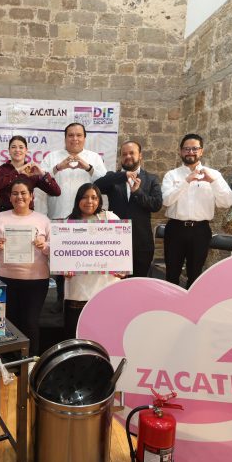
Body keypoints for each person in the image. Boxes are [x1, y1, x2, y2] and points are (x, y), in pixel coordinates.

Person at [38, 122, 108, 310]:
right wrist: (57, 167)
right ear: (65, 137)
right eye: (71, 135)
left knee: (84, 260)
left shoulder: (93, 157)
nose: (74, 139)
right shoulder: (52, 157)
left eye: (78, 135)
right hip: (59, 216)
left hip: (86, 219)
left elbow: (104, 182)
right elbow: (40, 181)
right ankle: (61, 300)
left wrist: (88, 167)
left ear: (84, 138)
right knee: (62, 262)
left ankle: (86, 302)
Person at [0, 179, 51, 356]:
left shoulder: (43, 220)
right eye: (15, 193)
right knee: (6, 322)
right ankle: (9, 362)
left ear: (31, 196)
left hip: (36, 280)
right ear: (10, 197)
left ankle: (31, 361)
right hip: (4, 279)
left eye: (23, 193)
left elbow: (56, 249)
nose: (19, 197)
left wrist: (44, 246)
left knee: (30, 322)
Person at [161, 133, 232, 288]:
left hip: (200, 231)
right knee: (171, 273)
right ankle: (170, 302)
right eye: (186, 149)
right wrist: (186, 181)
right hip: (175, 229)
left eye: (195, 148)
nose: (190, 152)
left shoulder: (214, 175)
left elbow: (228, 202)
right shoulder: (172, 175)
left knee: (195, 275)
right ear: (180, 151)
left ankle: (191, 302)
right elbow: (166, 201)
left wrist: (213, 182)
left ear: (201, 151)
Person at [60, 183, 124, 343]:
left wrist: (122, 267)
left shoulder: (110, 218)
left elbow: (122, 249)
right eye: (85, 197)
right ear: (78, 200)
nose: (89, 201)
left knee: (104, 335)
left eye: (94, 198)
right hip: (78, 288)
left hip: (106, 287)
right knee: (76, 335)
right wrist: (63, 268)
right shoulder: (68, 223)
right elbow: (62, 256)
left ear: (100, 200)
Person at [95, 140, 163, 277]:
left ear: (140, 155)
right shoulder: (113, 178)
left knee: (138, 283)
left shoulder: (151, 179)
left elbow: (156, 205)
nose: (128, 156)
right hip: (115, 242)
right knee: (115, 283)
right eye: (124, 154)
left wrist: (138, 192)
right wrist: (123, 175)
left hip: (141, 243)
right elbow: (97, 186)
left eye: (132, 153)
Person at [0, 135, 60, 213]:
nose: (17, 150)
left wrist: (42, 173)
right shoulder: (0, 169)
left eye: (21, 147)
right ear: (9, 150)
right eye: (13, 147)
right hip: (5, 214)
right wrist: (18, 171)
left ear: (26, 150)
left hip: (27, 215)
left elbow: (56, 192)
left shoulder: (32, 171)